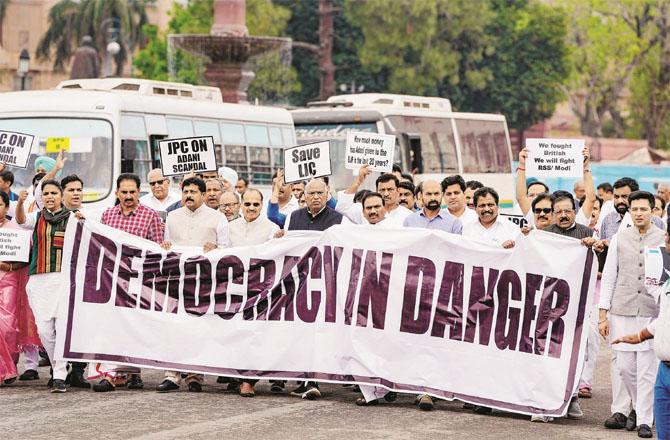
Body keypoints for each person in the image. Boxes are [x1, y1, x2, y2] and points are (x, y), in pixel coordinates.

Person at [598, 191, 664, 438]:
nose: (638, 213)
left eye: (643, 209)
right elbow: (609, 277)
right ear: (629, 212)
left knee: (647, 369)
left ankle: (645, 420)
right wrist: (603, 314)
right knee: (625, 368)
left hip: (650, 312)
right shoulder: (618, 238)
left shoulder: (661, 239)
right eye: (634, 209)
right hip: (622, 310)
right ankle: (638, 406)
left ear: (652, 211)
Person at [92, 173, 164, 393]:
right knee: (114, 324)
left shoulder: (150, 216)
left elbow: (158, 248)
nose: (129, 196)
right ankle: (111, 373)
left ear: (139, 192)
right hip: (113, 278)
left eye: (133, 192)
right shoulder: (108, 215)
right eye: (124, 192)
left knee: (135, 325)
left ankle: (134, 373)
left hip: (139, 279)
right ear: (117, 193)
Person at [156, 177, 228, 393]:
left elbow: (226, 249)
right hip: (177, 280)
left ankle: (195, 375)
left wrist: (215, 248)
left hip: (204, 281)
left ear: (204, 195)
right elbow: (166, 246)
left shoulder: (218, 218)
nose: (189, 195)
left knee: (199, 327)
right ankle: (172, 375)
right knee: (174, 327)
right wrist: (165, 247)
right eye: (186, 191)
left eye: (194, 192)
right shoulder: (172, 217)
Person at [16, 180, 82, 392]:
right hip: (39, 281)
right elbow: (20, 221)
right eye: (46, 193)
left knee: (61, 329)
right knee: (45, 332)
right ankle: (59, 367)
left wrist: (84, 221)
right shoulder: (37, 218)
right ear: (41, 197)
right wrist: (20, 203)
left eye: (54, 193)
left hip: (63, 279)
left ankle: (60, 376)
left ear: (61, 196)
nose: (50, 197)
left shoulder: (73, 219)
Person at [283, 179, 345, 399]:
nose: (316, 196)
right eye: (312, 193)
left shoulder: (339, 220)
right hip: (298, 282)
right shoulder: (293, 217)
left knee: (318, 332)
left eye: (320, 192)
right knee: (299, 331)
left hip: (325, 282)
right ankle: (303, 378)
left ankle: (313, 379)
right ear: (305, 196)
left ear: (328, 194)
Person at [612, 222, 670, 439]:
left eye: (668, 239)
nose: (665, 243)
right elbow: (666, 319)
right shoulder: (667, 283)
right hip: (664, 372)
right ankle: (642, 413)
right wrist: (639, 336)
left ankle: (644, 417)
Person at [228, 188, 279, 397]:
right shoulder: (229, 227)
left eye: (255, 204)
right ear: (241, 205)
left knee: (254, 335)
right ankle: (235, 376)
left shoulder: (272, 228)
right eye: (247, 204)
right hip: (233, 288)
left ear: (261, 205)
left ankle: (249, 380)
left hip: (260, 290)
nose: (251, 208)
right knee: (234, 334)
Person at [0, 191, 30, 384]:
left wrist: (6, 266)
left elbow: (24, 261)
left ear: (6, 207)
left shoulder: (15, 230)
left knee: (7, 326)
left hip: (8, 283)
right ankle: (4, 371)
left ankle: (10, 365)